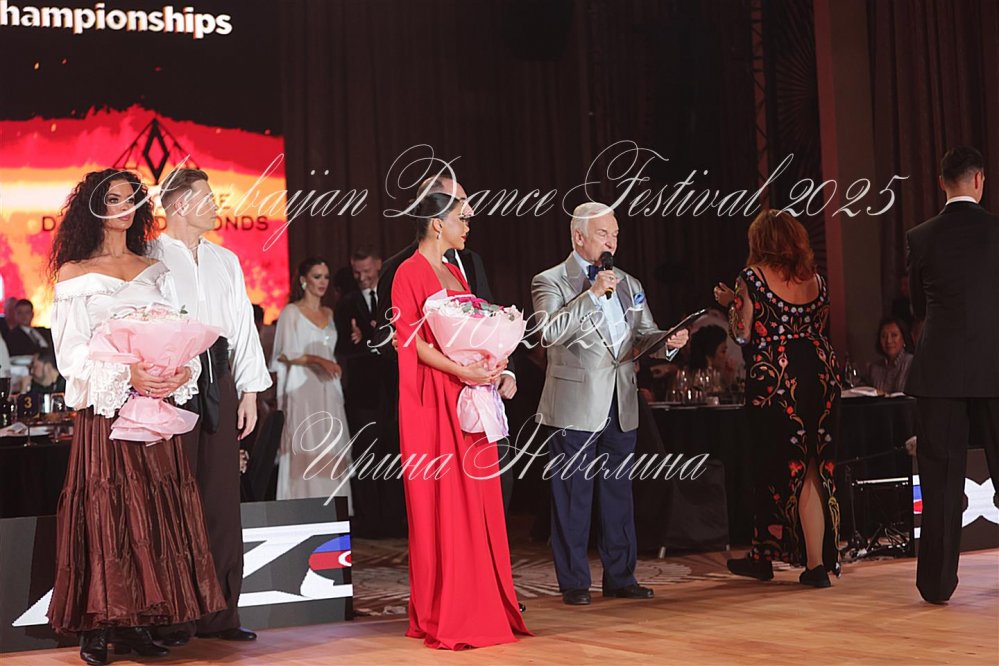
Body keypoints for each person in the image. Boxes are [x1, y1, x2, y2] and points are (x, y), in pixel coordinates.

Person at [46, 169, 224, 665]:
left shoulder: (154, 269)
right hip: (106, 413)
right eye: (114, 199)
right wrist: (127, 375)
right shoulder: (75, 273)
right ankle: (98, 625)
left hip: (154, 412)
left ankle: (141, 621)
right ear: (92, 207)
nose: (124, 208)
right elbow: (71, 355)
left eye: (131, 200)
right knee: (106, 511)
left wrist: (180, 369)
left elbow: (176, 331)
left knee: (153, 511)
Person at [392, 181, 530, 649]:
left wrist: (495, 362)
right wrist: (462, 370)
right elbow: (411, 342)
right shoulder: (408, 273)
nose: (468, 225)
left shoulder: (457, 271)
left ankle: (481, 598)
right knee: (446, 502)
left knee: (479, 498)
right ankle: (446, 608)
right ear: (437, 224)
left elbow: (473, 332)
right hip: (433, 399)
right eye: (462, 218)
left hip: (469, 394)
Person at [532, 202, 688, 606]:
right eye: (603, 234)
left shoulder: (629, 283)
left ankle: (620, 576)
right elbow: (548, 333)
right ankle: (574, 582)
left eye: (615, 235)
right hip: (574, 404)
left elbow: (644, 335)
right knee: (573, 497)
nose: (611, 243)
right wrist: (590, 295)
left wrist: (667, 343)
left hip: (621, 400)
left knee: (618, 495)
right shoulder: (550, 280)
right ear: (578, 237)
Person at [150, 167, 272, 643]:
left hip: (219, 378)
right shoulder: (150, 256)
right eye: (207, 197)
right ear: (180, 204)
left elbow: (242, 327)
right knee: (173, 497)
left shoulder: (226, 260)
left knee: (221, 498)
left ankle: (220, 613)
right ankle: (171, 615)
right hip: (169, 379)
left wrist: (251, 392)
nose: (217, 205)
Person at [714, 208, 841, 587]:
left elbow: (742, 333)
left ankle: (769, 555)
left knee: (772, 465)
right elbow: (817, 324)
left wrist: (732, 303)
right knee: (814, 465)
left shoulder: (752, 278)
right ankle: (813, 562)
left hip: (777, 377)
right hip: (821, 372)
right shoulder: (816, 280)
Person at [904, 146, 999, 604]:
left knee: (940, 479)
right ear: (980, 180)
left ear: (941, 182)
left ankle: (936, 585)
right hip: (995, 365)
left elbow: (917, 307)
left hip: (939, 369)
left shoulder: (920, 237)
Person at [271, 257, 352, 504]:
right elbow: (285, 353)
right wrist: (318, 360)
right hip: (302, 389)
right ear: (304, 280)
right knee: (305, 441)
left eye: (326, 277)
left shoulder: (329, 313)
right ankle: (302, 504)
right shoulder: (291, 312)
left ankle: (333, 507)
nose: (322, 282)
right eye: (317, 277)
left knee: (329, 442)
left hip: (328, 388)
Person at [333, 247, 387, 535]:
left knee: (395, 454)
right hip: (362, 394)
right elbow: (342, 348)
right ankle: (370, 521)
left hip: (394, 390)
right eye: (357, 273)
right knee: (366, 454)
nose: (362, 277)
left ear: (378, 264)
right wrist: (365, 340)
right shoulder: (347, 305)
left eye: (366, 271)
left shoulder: (393, 296)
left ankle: (395, 518)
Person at [866, 316, 913, 394]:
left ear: (904, 338)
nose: (888, 341)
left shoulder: (912, 363)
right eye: (883, 336)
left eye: (894, 335)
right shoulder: (874, 368)